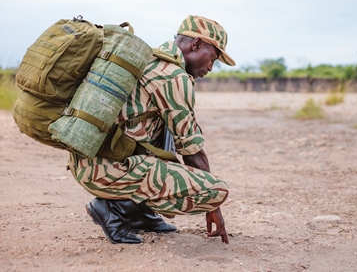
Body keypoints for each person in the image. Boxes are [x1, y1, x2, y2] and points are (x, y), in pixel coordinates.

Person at [67, 15, 235, 244]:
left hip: (88, 162)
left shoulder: (148, 59)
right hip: (107, 172)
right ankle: (114, 209)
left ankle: (139, 214)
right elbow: (192, 150)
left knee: (166, 133)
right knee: (217, 189)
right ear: (196, 44)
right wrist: (213, 206)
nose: (210, 67)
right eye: (212, 57)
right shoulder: (173, 77)